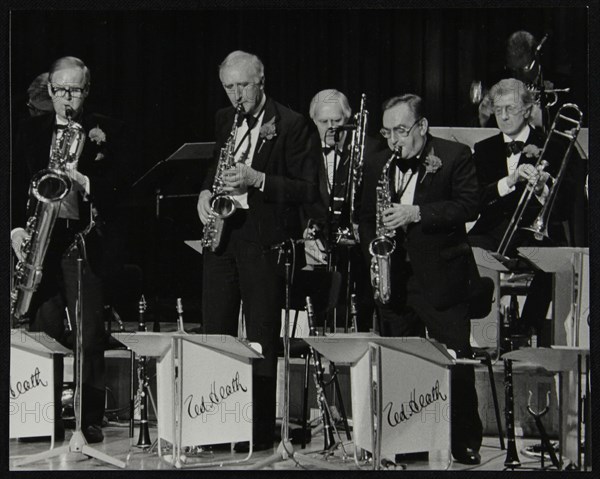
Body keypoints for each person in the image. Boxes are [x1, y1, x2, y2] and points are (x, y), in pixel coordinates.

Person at [196, 50, 319, 451]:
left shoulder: (293, 124)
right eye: (229, 87)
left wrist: (258, 178)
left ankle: (260, 431)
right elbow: (216, 162)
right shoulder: (223, 118)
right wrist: (203, 192)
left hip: (264, 239)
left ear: (261, 80)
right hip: (224, 236)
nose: (237, 96)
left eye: (243, 86)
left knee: (263, 338)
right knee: (216, 331)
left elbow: (307, 189)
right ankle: (217, 425)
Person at [359, 94, 483, 465]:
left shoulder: (454, 155)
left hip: (443, 278)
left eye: (401, 130)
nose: (394, 139)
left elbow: (469, 205)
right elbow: (366, 217)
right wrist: (374, 248)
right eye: (388, 131)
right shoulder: (378, 162)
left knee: (455, 362)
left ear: (422, 126)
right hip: (396, 278)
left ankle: (465, 441)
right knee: (400, 362)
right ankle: (406, 440)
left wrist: (417, 213)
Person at [11, 56, 130, 444]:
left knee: (89, 334)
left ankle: (89, 418)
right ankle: (41, 415)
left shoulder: (105, 130)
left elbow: (123, 190)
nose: (67, 98)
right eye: (60, 90)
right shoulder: (27, 131)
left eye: (75, 90)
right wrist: (14, 230)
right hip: (40, 240)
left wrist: (86, 182)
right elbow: (11, 183)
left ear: (86, 91)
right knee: (44, 329)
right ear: (49, 91)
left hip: (83, 239)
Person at [469, 78, 575, 343]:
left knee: (556, 259)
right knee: (465, 250)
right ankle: (482, 337)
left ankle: (527, 329)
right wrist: (510, 181)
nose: (503, 116)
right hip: (493, 232)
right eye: (498, 109)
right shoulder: (483, 150)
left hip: (534, 234)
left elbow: (565, 208)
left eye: (511, 109)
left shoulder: (554, 144)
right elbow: (475, 200)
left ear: (528, 110)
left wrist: (542, 189)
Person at [304, 89, 380, 332]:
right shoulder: (305, 151)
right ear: (314, 121)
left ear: (348, 120)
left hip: (359, 251)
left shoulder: (370, 150)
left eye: (337, 121)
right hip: (320, 249)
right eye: (323, 122)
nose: (330, 128)